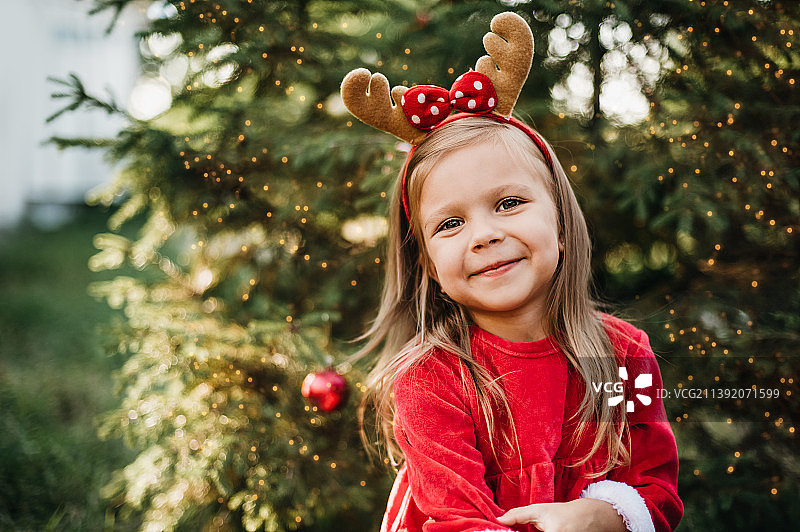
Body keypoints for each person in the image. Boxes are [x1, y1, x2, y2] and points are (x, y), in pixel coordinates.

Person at [342, 12, 683, 532]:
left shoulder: (620, 355)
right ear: (429, 266)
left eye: (508, 203)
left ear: (562, 223)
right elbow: (456, 521)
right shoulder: (431, 379)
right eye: (451, 222)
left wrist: (604, 515)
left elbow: (653, 489)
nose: (483, 235)